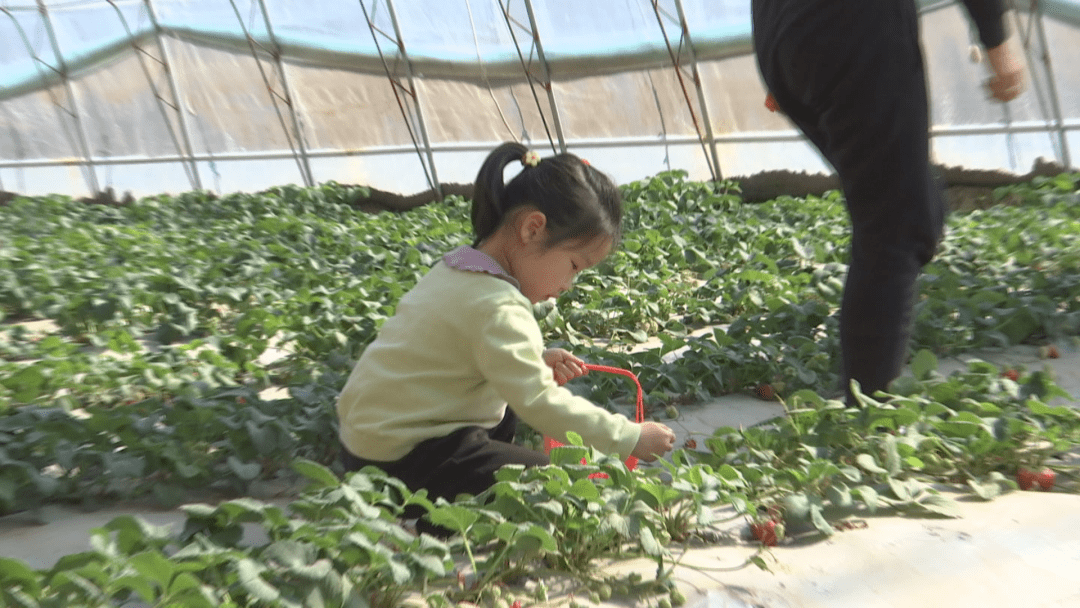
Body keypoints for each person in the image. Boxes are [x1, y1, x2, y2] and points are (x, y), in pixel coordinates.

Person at [336, 142, 677, 527]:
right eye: (574, 265)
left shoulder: (457, 268)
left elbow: (457, 351)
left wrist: (533, 360)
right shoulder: (500, 306)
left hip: (366, 448)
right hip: (404, 465)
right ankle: (441, 520)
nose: (569, 283)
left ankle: (468, 486)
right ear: (533, 228)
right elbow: (540, 402)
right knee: (556, 484)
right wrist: (629, 436)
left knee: (512, 408)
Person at [751, 0, 1025, 404]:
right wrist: (998, 43)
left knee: (908, 210)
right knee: (894, 226)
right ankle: (867, 418)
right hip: (852, 28)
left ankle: (865, 398)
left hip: (782, 32)